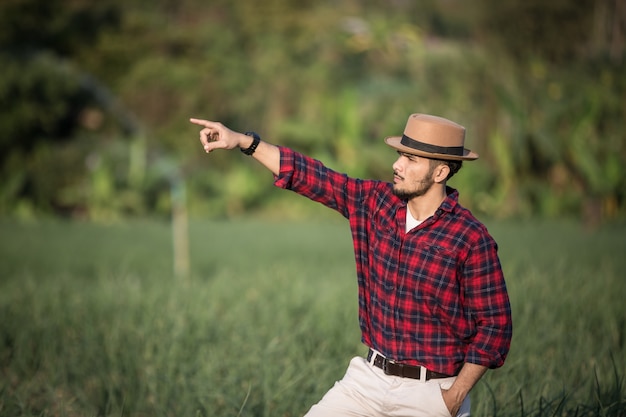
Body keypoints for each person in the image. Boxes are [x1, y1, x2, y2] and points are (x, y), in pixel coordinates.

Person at [190, 113, 513, 417]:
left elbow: (495, 327)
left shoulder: (470, 238)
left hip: (431, 393)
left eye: (410, 160)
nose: (396, 165)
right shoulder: (376, 202)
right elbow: (311, 175)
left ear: (440, 172)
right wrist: (245, 142)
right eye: (399, 155)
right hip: (367, 381)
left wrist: (453, 398)